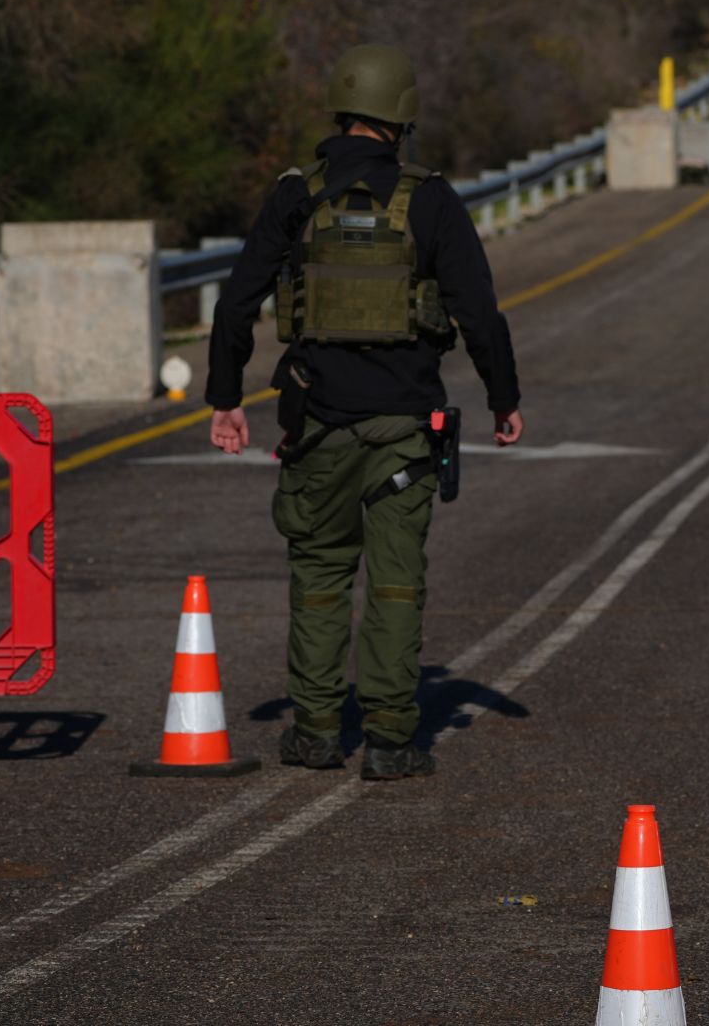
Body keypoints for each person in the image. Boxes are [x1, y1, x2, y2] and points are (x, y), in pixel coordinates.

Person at [205, 43, 523, 780]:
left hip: (316, 423)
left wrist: (226, 399)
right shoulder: (431, 199)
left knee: (318, 574)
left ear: (343, 109)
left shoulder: (296, 194)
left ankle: (315, 732)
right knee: (395, 583)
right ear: (403, 116)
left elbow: (234, 305)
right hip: (406, 432)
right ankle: (390, 741)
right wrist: (504, 399)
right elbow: (481, 313)